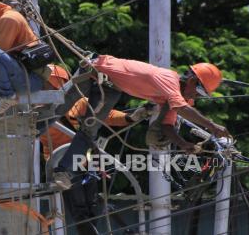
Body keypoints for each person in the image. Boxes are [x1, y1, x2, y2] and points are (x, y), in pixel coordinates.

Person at [53, 55, 231, 189]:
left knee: (90, 131)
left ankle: (62, 172)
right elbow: (182, 108)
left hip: (111, 86)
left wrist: (183, 144)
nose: (196, 97)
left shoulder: (173, 98)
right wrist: (213, 127)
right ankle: (34, 130)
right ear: (192, 81)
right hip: (93, 70)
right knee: (58, 110)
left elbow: (167, 126)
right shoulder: (169, 80)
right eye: (199, 92)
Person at [40, 64, 150, 235]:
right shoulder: (36, 110)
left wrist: (130, 117)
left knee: (92, 207)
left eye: (47, 84)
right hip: (61, 164)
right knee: (80, 209)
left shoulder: (77, 103)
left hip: (84, 161)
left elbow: (106, 115)